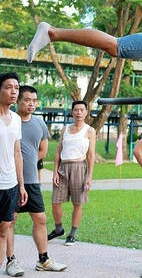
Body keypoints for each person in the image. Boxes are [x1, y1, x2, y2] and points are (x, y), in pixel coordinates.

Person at [5, 85, 68, 274]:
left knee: (40, 219)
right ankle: (11, 260)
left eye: (34, 101)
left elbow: (43, 150)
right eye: (27, 100)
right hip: (10, 180)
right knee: (10, 221)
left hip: (31, 180)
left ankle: (44, 259)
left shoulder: (40, 123)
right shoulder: (9, 121)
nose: (31, 104)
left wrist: (28, 163)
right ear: (18, 101)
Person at [48, 101, 96, 246]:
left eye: (82, 110)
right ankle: (58, 229)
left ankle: (72, 234)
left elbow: (91, 155)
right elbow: (58, 151)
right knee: (55, 201)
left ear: (86, 112)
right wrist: (55, 171)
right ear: (72, 112)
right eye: (76, 110)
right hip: (63, 167)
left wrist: (89, 176)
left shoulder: (89, 131)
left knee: (77, 203)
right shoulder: (65, 129)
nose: (79, 112)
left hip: (79, 167)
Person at [0, 73, 28, 276]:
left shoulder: (17, 119)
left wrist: (21, 184)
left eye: (16, 88)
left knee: (4, 230)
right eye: (9, 87)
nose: (13, 91)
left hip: (10, 184)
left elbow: (17, 152)